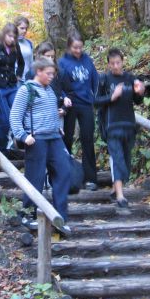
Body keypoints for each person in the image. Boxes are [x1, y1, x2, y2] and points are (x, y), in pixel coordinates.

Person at [9, 57, 71, 236]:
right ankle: (28, 213)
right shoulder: (26, 90)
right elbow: (14, 116)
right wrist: (22, 135)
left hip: (54, 138)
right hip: (37, 140)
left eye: (53, 73)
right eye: (49, 73)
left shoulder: (50, 90)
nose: (52, 77)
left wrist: (58, 129)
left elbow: (51, 112)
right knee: (35, 178)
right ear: (39, 72)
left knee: (63, 171)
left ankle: (60, 216)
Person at [93, 48, 145, 208]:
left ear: (123, 62)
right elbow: (95, 101)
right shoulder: (104, 79)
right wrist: (112, 96)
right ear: (108, 64)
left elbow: (137, 101)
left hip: (128, 124)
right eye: (112, 63)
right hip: (111, 126)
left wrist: (140, 92)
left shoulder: (130, 78)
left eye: (118, 62)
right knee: (118, 160)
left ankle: (117, 189)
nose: (116, 66)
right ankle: (121, 196)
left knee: (127, 162)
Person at [59, 33, 99, 191]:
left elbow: (95, 79)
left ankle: (91, 178)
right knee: (67, 139)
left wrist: (94, 96)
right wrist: (63, 98)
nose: (78, 50)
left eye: (80, 47)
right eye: (75, 47)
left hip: (86, 103)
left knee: (88, 138)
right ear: (69, 46)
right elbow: (59, 84)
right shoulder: (62, 62)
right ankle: (66, 178)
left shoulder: (87, 59)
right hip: (70, 104)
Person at [0, 23, 24, 155]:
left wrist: (18, 75)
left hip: (11, 85)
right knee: (4, 120)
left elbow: (21, 62)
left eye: (14, 37)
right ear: (4, 35)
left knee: (17, 114)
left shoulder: (16, 47)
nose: (12, 39)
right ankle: (0, 149)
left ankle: (16, 144)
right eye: (10, 36)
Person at [14, 16, 33, 82]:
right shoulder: (10, 43)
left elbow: (31, 62)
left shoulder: (29, 43)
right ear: (15, 28)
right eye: (22, 28)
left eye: (26, 29)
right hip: (15, 80)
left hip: (28, 79)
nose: (24, 31)